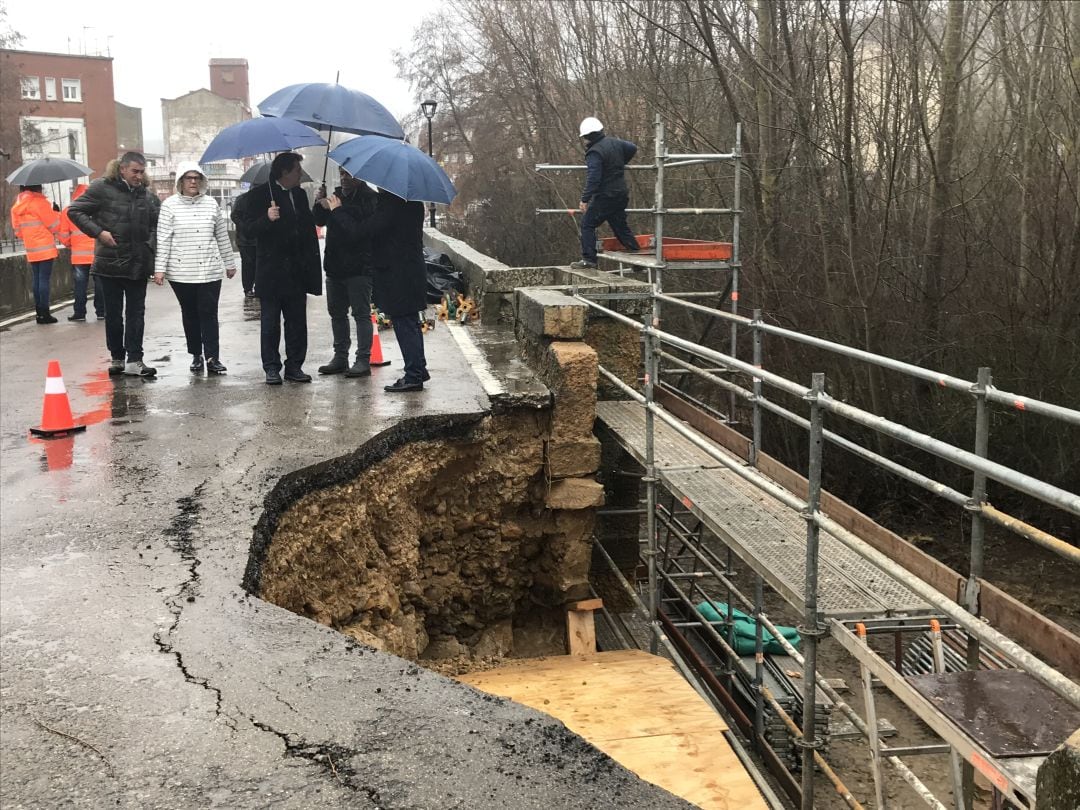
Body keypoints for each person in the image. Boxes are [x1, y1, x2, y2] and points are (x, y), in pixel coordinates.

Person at [68, 152, 161, 377]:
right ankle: (117, 358)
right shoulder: (102, 188)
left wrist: (150, 243)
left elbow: (158, 224)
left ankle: (135, 359)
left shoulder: (147, 196)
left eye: (142, 172)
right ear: (122, 169)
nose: (139, 176)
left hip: (138, 263)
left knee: (136, 313)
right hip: (110, 263)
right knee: (113, 314)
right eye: (135, 172)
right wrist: (99, 233)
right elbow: (74, 210)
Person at [330, 185, 428, 392]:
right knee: (410, 321)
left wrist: (338, 210)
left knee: (404, 322)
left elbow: (361, 231)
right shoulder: (414, 204)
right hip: (411, 269)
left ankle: (414, 375)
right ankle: (418, 368)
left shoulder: (392, 205)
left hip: (398, 273)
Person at [240, 152, 321, 385]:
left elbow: (306, 227)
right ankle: (271, 367)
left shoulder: (300, 194)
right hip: (272, 272)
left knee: (297, 324)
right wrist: (267, 218)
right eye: (296, 170)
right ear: (284, 172)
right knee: (270, 324)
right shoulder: (259, 195)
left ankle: (295, 366)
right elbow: (247, 230)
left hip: (297, 272)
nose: (300, 175)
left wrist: (318, 206)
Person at [154, 162, 237, 375]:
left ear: (201, 181)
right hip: (182, 272)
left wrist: (229, 262)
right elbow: (163, 239)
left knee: (209, 313)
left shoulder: (211, 204)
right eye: (188, 178)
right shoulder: (169, 206)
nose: (193, 181)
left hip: (209, 270)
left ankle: (212, 356)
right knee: (190, 313)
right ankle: (196, 355)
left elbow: (221, 235)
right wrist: (159, 268)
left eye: (196, 178)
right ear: (180, 181)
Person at [313, 168, 379, 377]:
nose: (344, 178)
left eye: (348, 174)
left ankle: (362, 360)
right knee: (337, 314)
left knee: (361, 314)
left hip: (358, 267)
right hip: (335, 266)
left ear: (359, 176)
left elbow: (357, 231)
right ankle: (340, 356)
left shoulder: (370, 199)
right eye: (341, 173)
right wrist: (319, 202)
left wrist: (337, 210)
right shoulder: (336, 196)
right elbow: (319, 221)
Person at [571, 117, 640, 270]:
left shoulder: (594, 152)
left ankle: (589, 260)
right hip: (621, 193)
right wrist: (620, 162)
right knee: (620, 225)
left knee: (587, 224)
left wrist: (585, 199)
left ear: (588, 136)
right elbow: (632, 148)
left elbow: (594, 178)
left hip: (605, 196)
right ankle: (637, 257)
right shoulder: (616, 143)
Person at [10, 184, 61, 324]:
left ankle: (39, 313)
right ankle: (45, 313)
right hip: (45, 248)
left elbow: (18, 232)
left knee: (37, 279)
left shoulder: (16, 208)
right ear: (37, 188)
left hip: (31, 249)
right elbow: (55, 225)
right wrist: (56, 212)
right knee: (44, 280)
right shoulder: (40, 203)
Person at [58, 183, 105, 322]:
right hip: (97, 253)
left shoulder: (69, 210)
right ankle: (101, 311)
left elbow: (64, 236)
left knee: (80, 285)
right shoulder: (99, 208)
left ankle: (79, 312)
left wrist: (72, 244)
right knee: (100, 284)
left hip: (78, 256)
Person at [230, 190, 257, 298]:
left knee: (258, 265)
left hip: (259, 238)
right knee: (248, 265)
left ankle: (257, 287)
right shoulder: (242, 199)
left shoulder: (267, 198)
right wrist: (245, 227)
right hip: (245, 239)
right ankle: (248, 289)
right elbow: (234, 215)